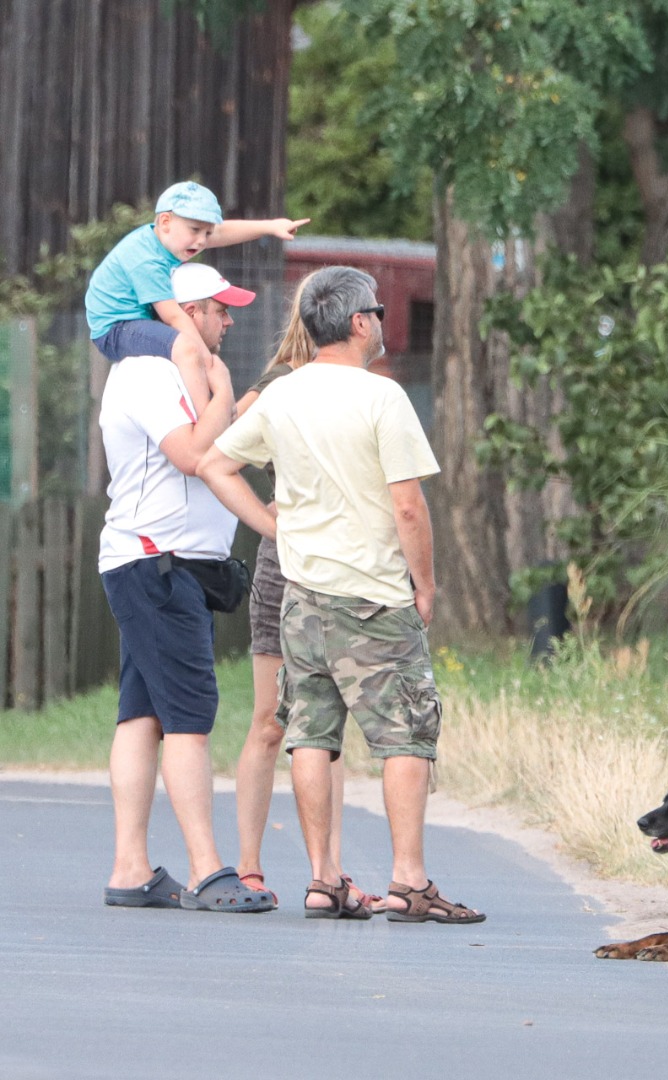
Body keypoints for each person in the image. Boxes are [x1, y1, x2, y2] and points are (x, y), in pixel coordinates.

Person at [200, 266, 483, 924]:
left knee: (311, 734)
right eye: (378, 313)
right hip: (373, 595)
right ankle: (409, 881)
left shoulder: (282, 396)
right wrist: (426, 583)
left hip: (304, 597)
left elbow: (215, 463)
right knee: (405, 736)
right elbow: (408, 506)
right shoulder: (380, 398)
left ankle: (323, 879)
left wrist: (273, 525)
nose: (382, 323)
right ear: (360, 323)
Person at [99, 262, 272, 913]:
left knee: (142, 715)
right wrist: (223, 388)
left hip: (173, 565)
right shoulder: (149, 373)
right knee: (190, 716)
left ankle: (130, 868)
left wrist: (229, 393)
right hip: (157, 564)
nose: (228, 321)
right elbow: (197, 455)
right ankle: (208, 870)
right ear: (185, 312)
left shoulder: (186, 375)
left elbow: (218, 439)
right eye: (219, 310)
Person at [230, 278, 379, 912]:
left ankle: (329, 871)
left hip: (340, 559)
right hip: (285, 559)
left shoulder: (358, 379)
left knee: (326, 721)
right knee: (271, 719)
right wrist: (275, 505)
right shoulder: (285, 375)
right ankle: (247, 867)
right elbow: (235, 430)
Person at [85, 180, 307, 417]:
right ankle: (206, 417)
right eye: (195, 230)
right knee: (187, 349)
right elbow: (173, 316)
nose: (202, 240)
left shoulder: (175, 238)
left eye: (207, 232)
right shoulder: (146, 259)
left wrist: (270, 227)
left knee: (189, 348)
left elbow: (223, 232)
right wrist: (208, 364)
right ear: (165, 222)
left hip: (136, 319)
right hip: (115, 328)